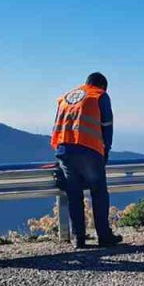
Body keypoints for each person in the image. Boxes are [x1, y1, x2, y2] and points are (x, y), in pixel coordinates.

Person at [52, 72, 123, 248]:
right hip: (89, 150)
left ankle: (79, 239)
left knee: (74, 194)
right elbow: (107, 126)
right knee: (98, 192)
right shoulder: (99, 95)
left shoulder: (66, 97)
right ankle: (104, 236)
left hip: (64, 149)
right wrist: (106, 151)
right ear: (102, 86)